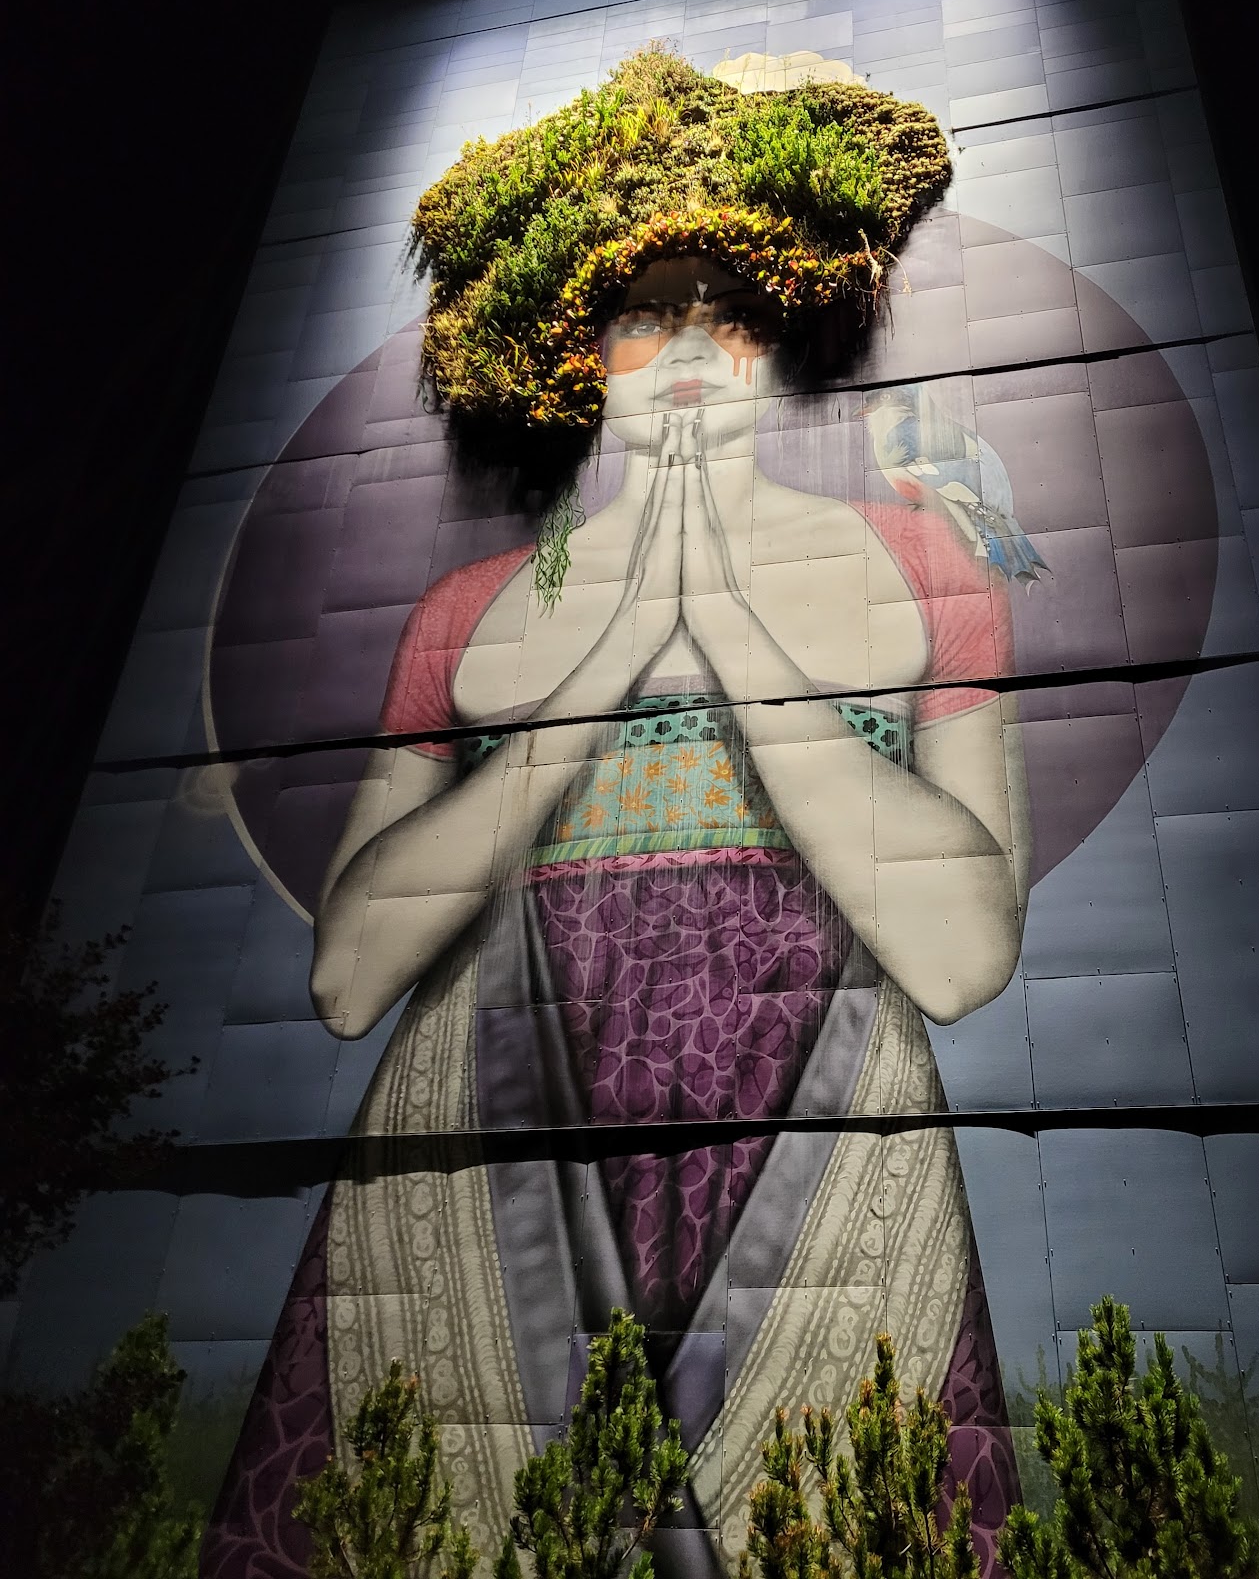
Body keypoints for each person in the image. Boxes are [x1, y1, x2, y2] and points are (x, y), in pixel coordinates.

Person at [205, 249, 1030, 1576]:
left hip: (821, 1126)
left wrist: (735, 636)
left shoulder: (925, 567)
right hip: (487, 1123)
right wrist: (613, 650)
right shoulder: (468, 609)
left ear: (785, 345)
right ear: (585, 354)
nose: (692, 349)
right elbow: (348, 981)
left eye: (734, 316)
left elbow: (966, 956)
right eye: (647, 317)